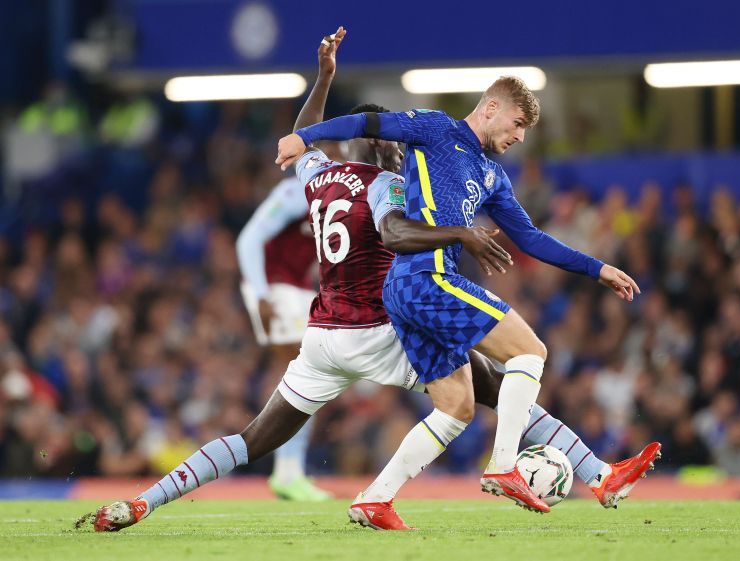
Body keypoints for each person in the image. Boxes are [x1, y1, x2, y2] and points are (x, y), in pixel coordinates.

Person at [90, 26, 516, 533]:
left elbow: (303, 136)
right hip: (380, 330)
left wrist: (323, 78)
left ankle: (142, 503)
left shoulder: (320, 176)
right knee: (495, 381)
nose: (404, 151)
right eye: (399, 144)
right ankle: (583, 469)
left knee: (253, 439)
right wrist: (459, 234)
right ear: (391, 146)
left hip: (322, 335)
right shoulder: (390, 186)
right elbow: (395, 232)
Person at [276, 69, 647, 515]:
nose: (520, 138)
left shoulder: (491, 176)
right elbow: (367, 124)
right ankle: (504, 466)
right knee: (530, 352)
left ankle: (375, 499)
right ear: (491, 108)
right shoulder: (433, 129)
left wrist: (597, 268)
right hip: (424, 277)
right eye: (516, 125)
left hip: (409, 290)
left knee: (455, 408)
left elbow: (530, 238)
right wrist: (307, 138)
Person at [236, 143, 338, 502]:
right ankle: (287, 471)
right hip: (274, 287)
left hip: (292, 288)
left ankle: (288, 469)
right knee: (307, 371)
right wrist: (262, 294)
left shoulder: (329, 196)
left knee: (310, 371)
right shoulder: (295, 191)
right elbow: (248, 239)